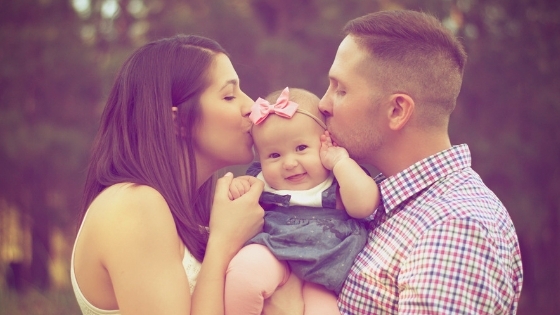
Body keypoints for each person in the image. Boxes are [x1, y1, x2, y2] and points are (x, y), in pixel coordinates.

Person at [316, 9, 524, 314]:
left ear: (397, 110)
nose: (323, 103)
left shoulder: (456, 228)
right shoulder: (378, 199)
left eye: (341, 89)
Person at [70, 34, 266, 315]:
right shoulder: (133, 205)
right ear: (178, 120)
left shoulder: (189, 213)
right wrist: (224, 242)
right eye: (229, 95)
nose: (251, 106)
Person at [224, 87, 379, 315]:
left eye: (301, 148)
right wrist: (239, 188)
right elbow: (238, 212)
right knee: (243, 275)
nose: (289, 163)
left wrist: (340, 162)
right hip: (273, 251)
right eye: (274, 155)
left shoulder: (338, 178)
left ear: (327, 142)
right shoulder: (260, 181)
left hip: (323, 273)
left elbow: (365, 205)